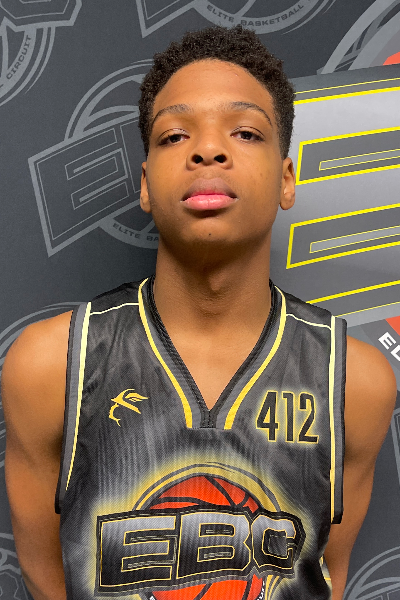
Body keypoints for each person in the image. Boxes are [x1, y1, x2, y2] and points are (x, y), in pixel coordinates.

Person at [2, 25, 396, 600]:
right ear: (145, 184)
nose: (208, 150)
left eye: (245, 132)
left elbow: (324, 574)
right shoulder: (50, 364)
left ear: (287, 180)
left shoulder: (355, 381)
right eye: (174, 135)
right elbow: (44, 574)